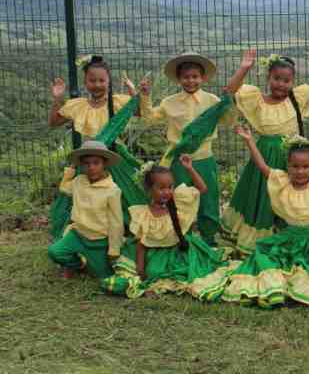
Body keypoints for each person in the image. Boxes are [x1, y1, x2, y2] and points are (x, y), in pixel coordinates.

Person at [220, 127, 309, 308]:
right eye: (295, 166)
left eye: (305, 167)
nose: (300, 171)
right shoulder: (281, 181)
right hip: (290, 238)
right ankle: (277, 285)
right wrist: (249, 141)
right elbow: (262, 166)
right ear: (287, 166)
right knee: (267, 256)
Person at [221, 50, 309, 255]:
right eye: (276, 79)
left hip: (292, 159)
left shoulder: (297, 98)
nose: (281, 84)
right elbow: (229, 91)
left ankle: (290, 234)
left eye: (286, 80)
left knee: (290, 196)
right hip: (264, 157)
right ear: (269, 78)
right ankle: (263, 237)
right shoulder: (257, 99)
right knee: (264, 196)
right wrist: (244, 67)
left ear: (293, 81)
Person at [100, 154, 232, 300]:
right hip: (157, 254)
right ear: (149, 190)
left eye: (170, 187)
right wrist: (140, 270)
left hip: (180, 250)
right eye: (161, 188)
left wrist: (190, 169)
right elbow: (141, 245)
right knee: (154, 272)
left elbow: (202, 188)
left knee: (191, 270)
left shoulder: (178, 201)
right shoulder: (144, 214)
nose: (167, 192)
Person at [140, 51, 233, 246]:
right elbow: (149, 118)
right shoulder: (169, 102)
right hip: (179, 160)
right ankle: (182, 237)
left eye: (195, 77)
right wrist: (145, 96)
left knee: (208, 199)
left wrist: (230, 100)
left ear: (203, 78)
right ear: (179, 78)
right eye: (186, 77)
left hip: (204, 159)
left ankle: (209, 240)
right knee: (180, 199)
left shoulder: (212, 101)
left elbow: (228, 120)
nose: (191, 81)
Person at [48, 55, 144, 239]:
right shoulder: (78, 106)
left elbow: (138, 111)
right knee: (85, 197)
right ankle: (88, 232)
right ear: (85, 82)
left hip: (113, 156)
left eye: (102, 80)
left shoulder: (117, 102)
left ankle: (126, 232)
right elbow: (54, 122)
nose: (97, 84)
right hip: (88, 160)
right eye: (92, 80)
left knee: (126, 194)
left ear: (109, 81)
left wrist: (133, 91)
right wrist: (58, 98)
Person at [48, 141, 124, 279]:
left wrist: (114, 249)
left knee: (102, 276)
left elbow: (116, 223)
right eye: (86, 163)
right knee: (55, 252)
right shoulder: (79, 181)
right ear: (81, 165)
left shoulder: (112, 190)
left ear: (105, 164)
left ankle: (91, 261)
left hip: (98, 240)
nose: (91, 167)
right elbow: (64, 188)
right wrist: (70, 169)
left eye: (96, 163)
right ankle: (77, 264)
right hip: (77, 234)